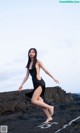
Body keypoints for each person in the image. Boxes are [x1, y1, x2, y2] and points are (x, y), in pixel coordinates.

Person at [18, 48, 59, 123]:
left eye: (33, 52)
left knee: (33, 100)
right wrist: (21, 85)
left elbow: (46, 70)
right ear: (28, 54)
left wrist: (54, 78)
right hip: (35, 85)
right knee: (40, 102)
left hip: (40, 83)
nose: (31, 53)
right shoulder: (28, 64)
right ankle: (49, 117)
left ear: (35, 53)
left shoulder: (38, 61)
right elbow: (26, 76)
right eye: (30, 52)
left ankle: (50, 107)